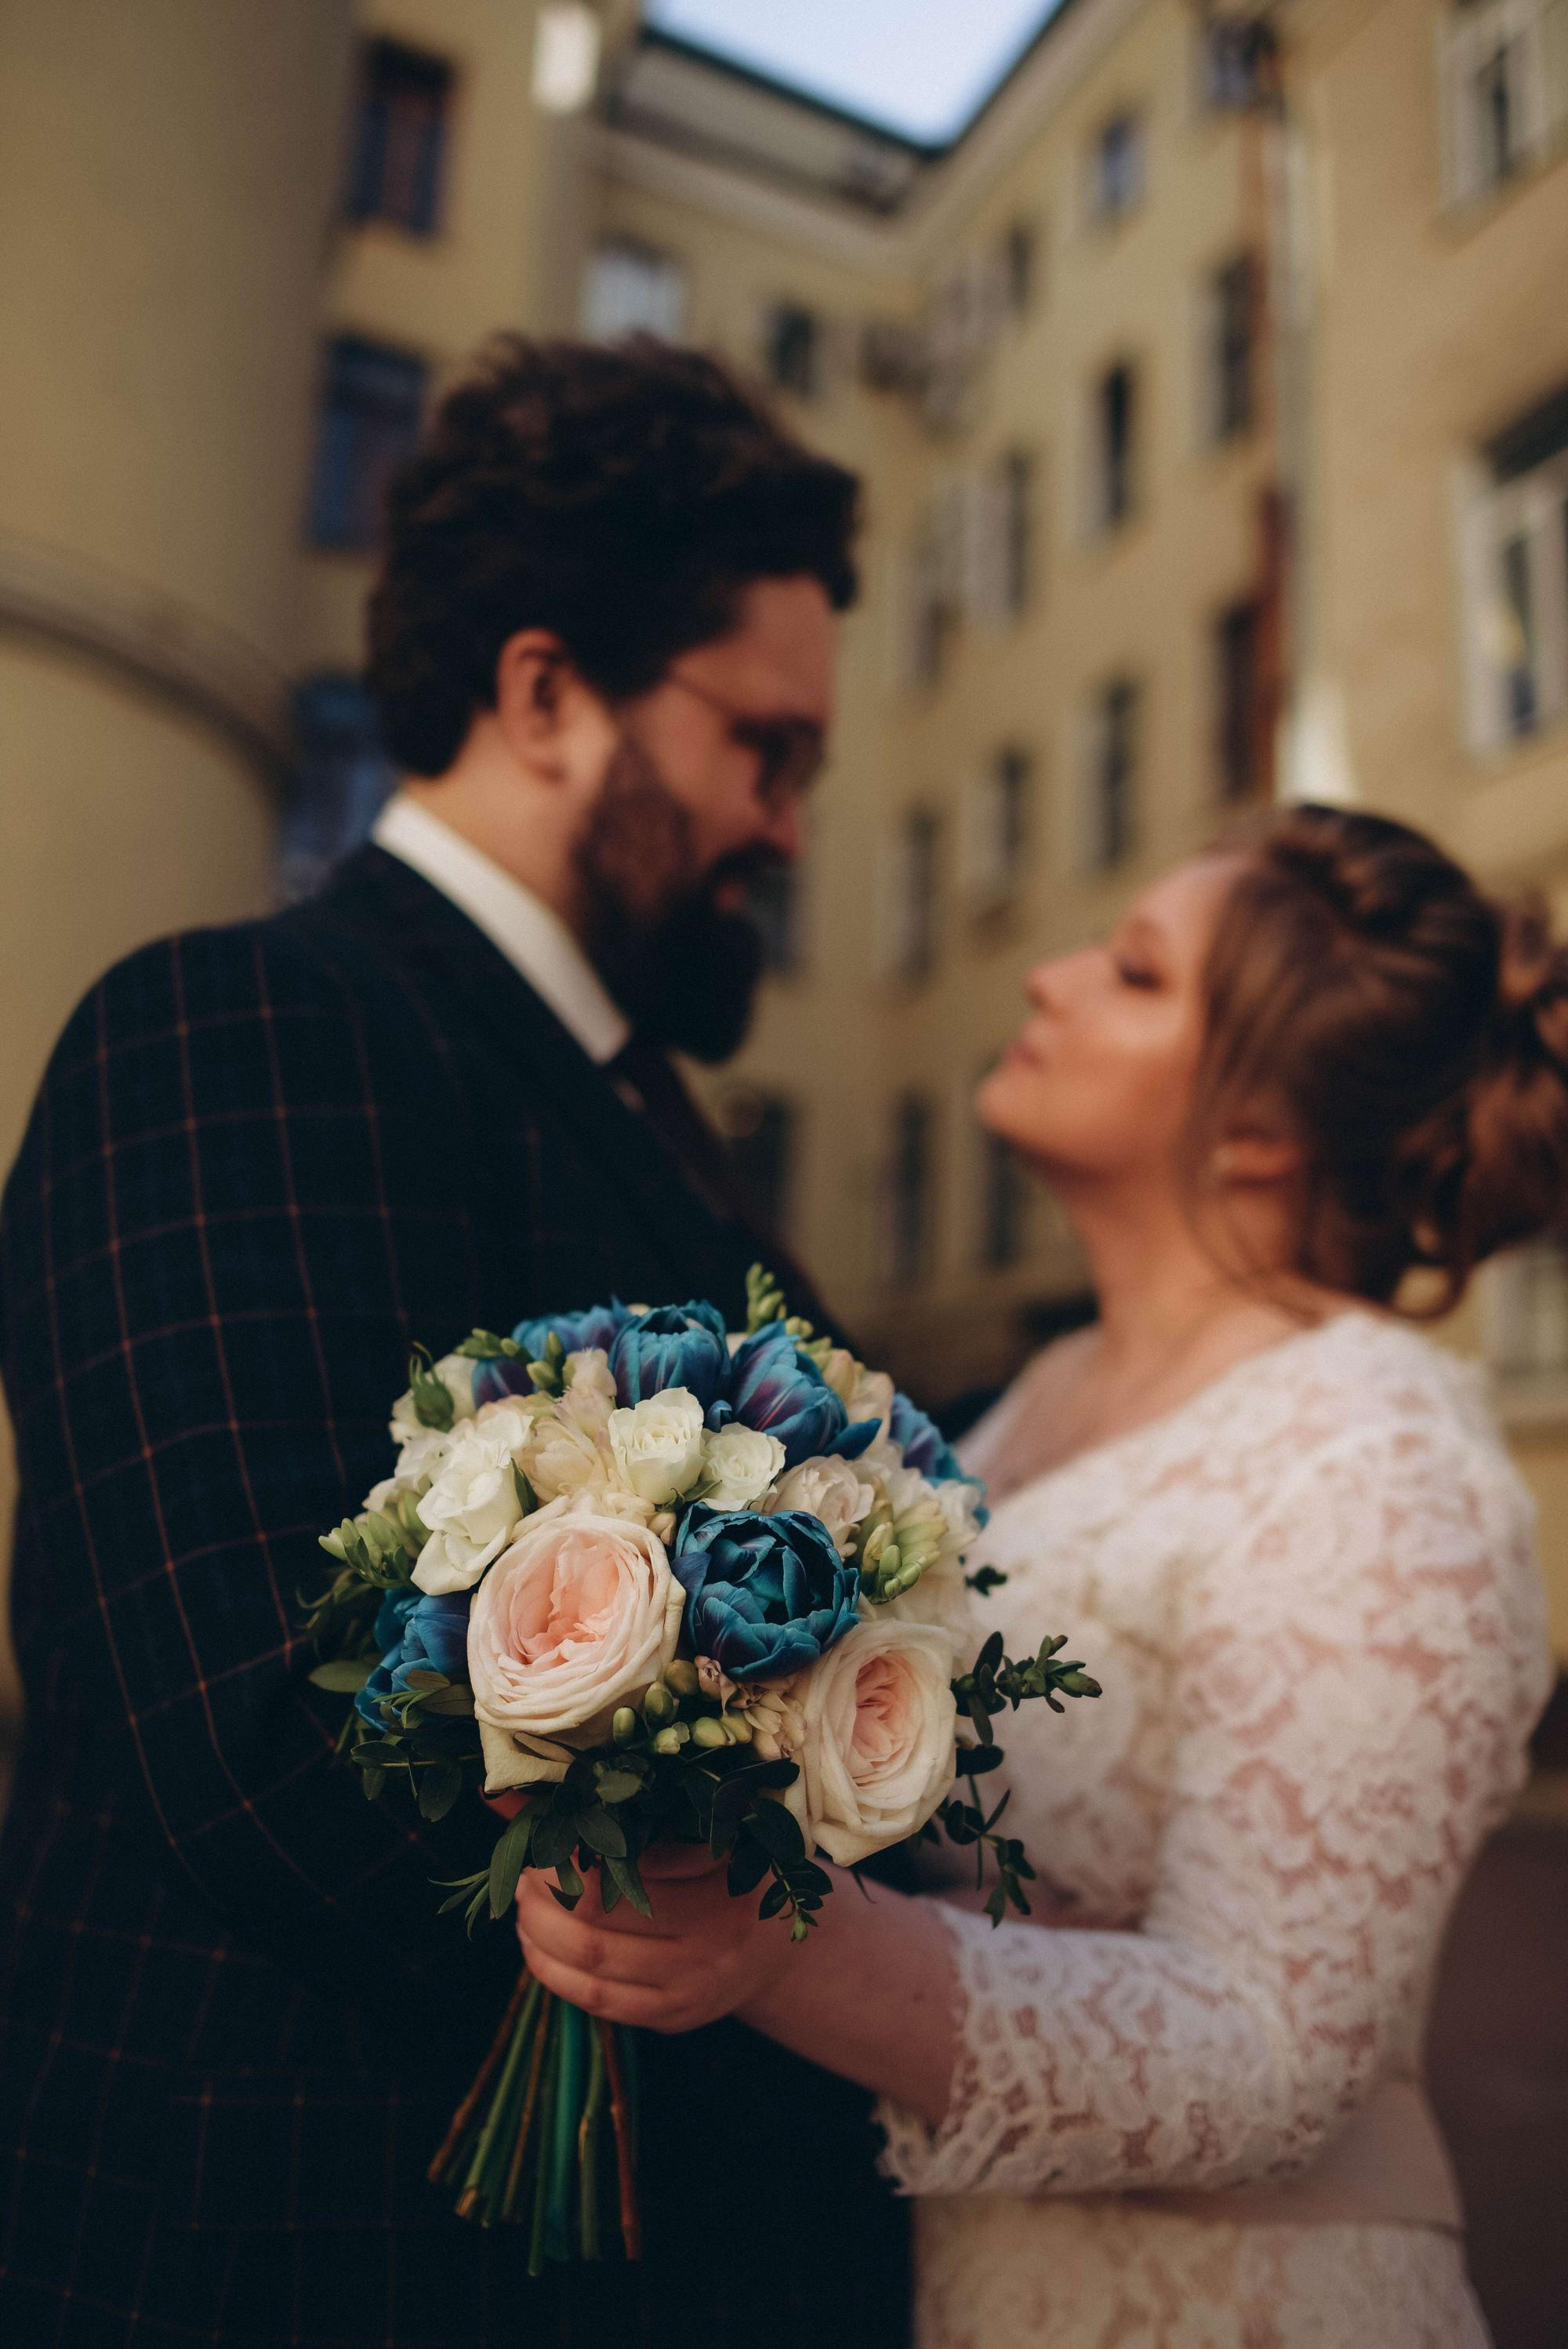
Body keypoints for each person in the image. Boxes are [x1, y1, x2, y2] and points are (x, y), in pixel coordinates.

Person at [0, 337, 912, 2347]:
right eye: (765, 748)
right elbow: (260, 1735)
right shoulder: (235, 1029)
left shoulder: (644, 1112)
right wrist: (772, 1956)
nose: (785, 822)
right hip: (302, 2245)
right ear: (544, 690)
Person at [515, 804, 1563, 2348]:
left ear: (1261, 1129)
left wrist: (781, 1944)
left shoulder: (1377, 1458)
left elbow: (1275, 2048)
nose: (1051, 976)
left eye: (1134, 974)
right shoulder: (1032, 1397)